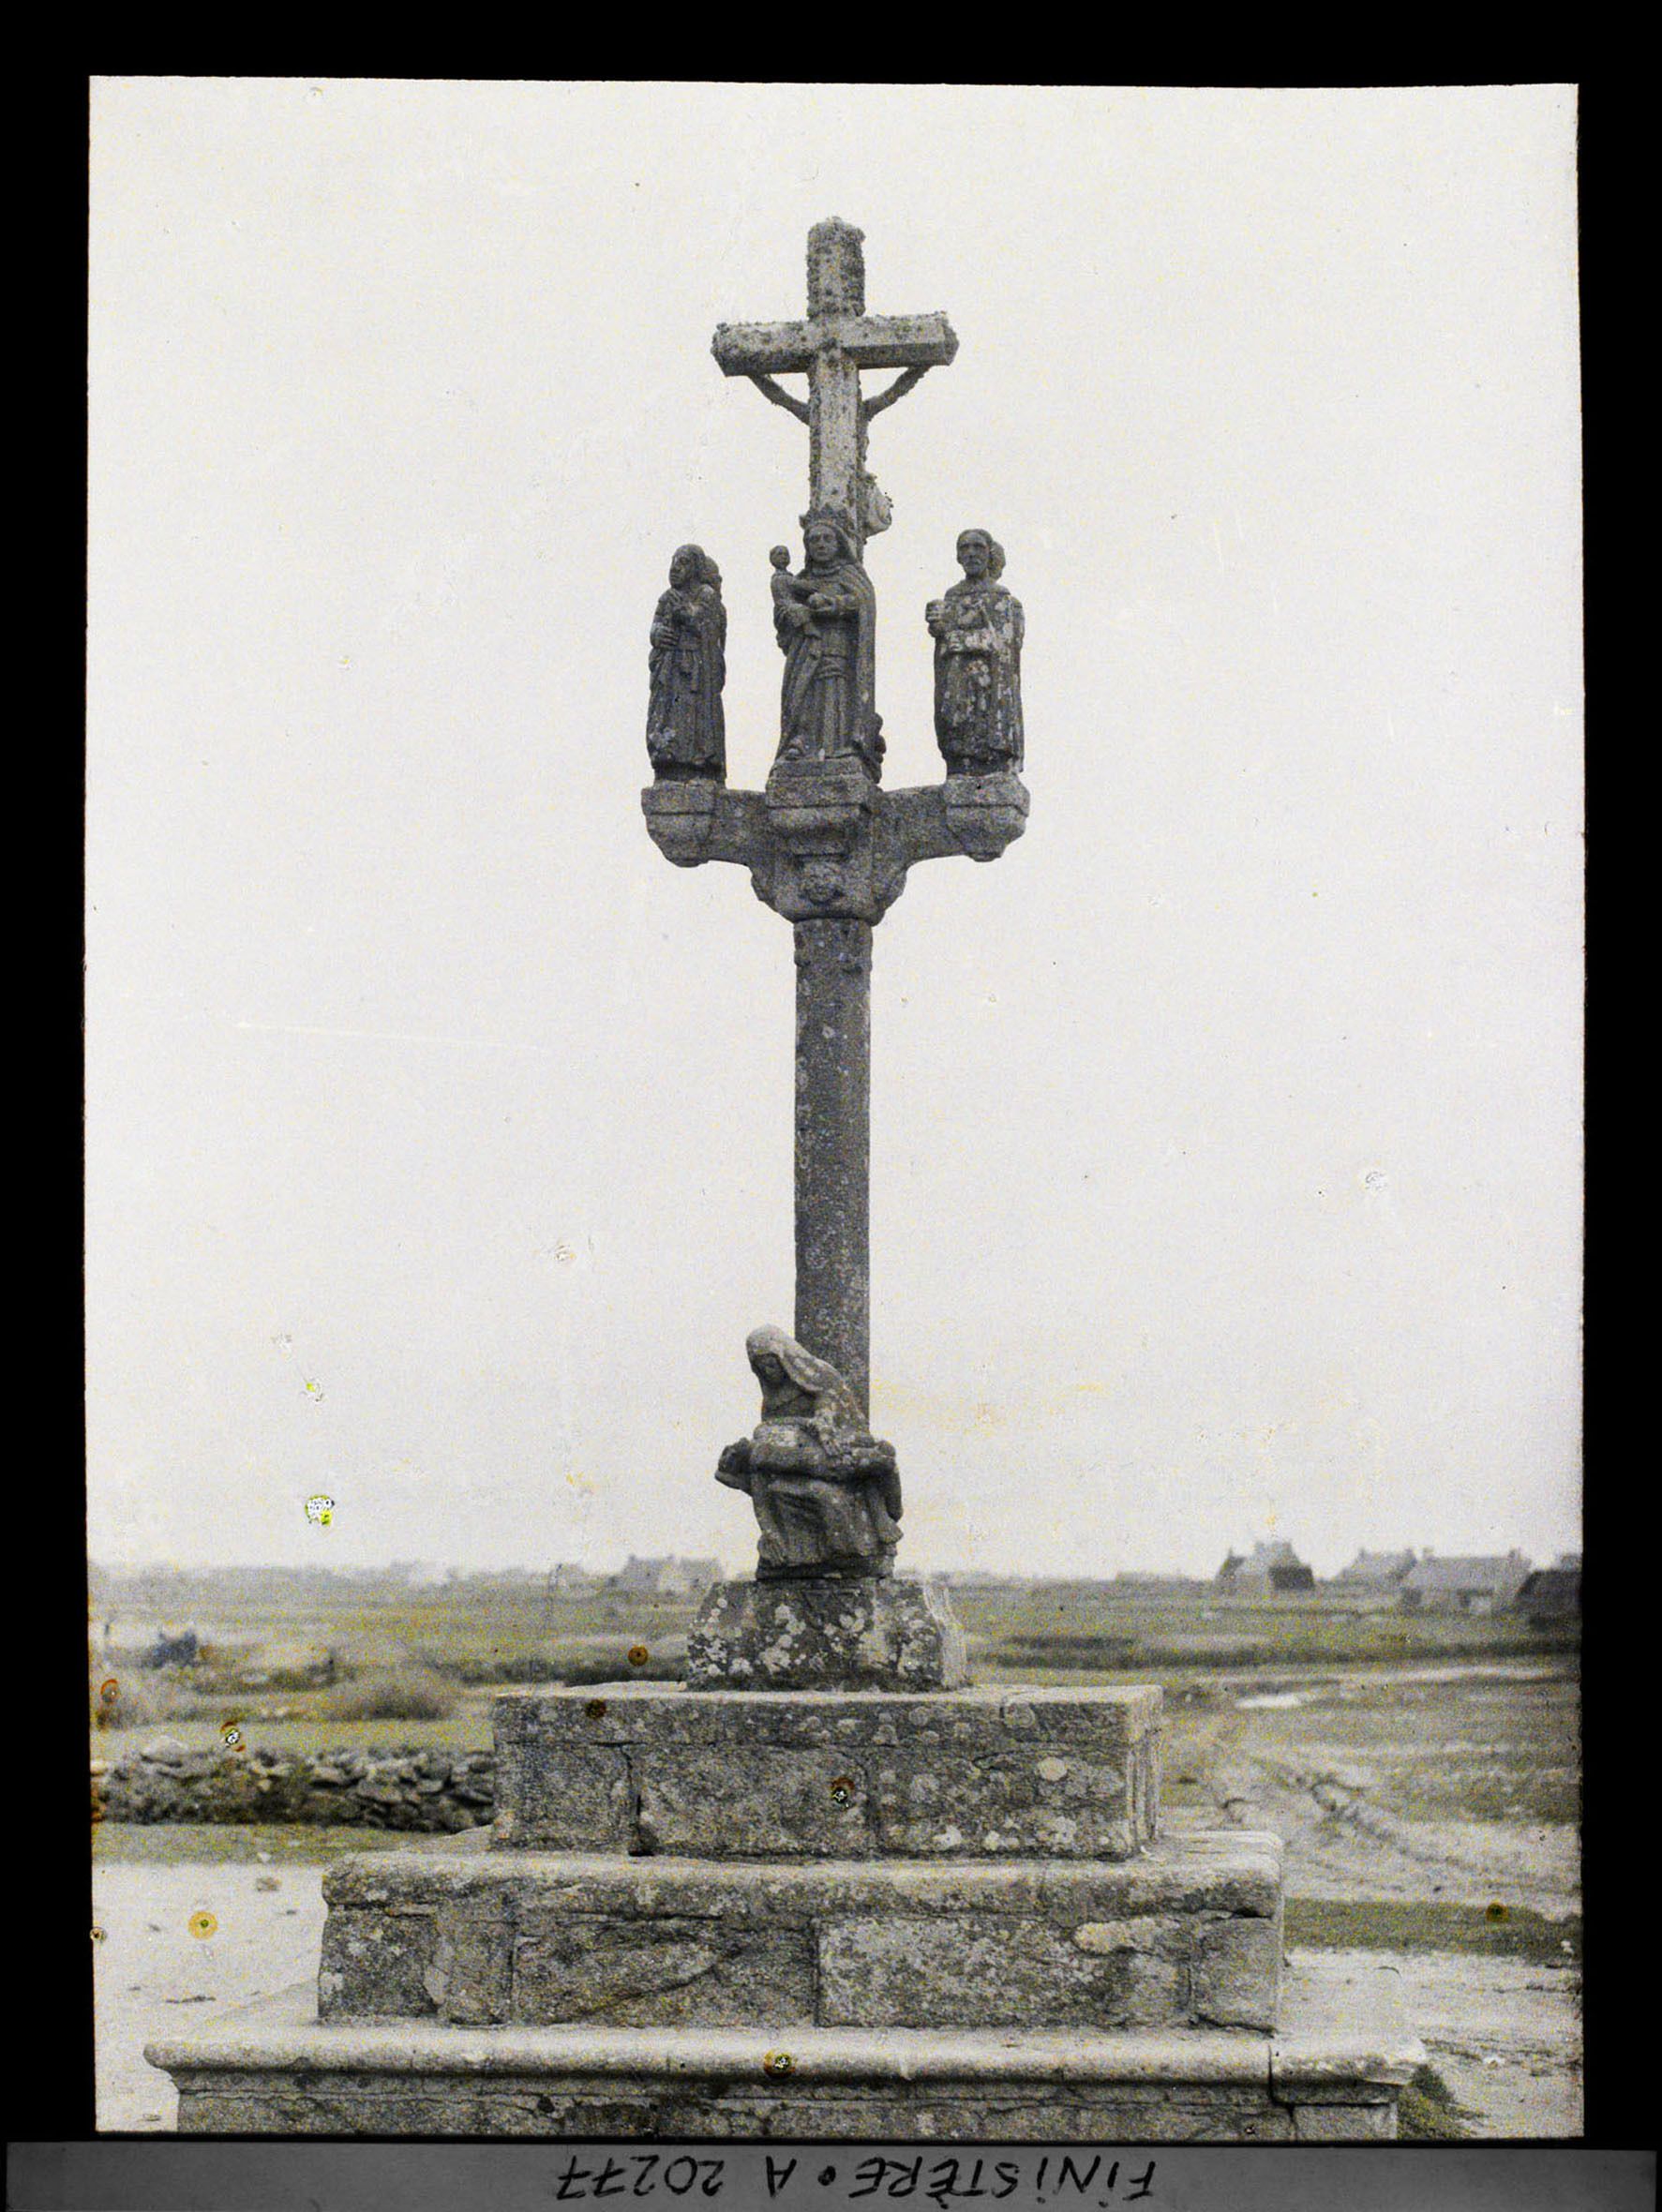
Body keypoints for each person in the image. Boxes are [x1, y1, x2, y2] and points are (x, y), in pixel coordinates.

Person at [715, 1324, 902, 1578]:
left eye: (771, 1364)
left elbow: (830, 1406)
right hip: (807, 1464)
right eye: (761, 1368)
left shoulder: (819, 1375)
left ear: (785, 1357)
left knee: (863, 1462)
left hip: (833, 1441)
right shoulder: (766, 1422)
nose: (768, 1373)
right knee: (827, 1483)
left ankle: (883, 1514)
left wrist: (821, 1426)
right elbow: (759, 1464)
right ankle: (872, 1524)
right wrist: (770, 1532)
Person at [775, 514, 883, 777]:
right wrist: (793, 614)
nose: (820, 544)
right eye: (813, 540)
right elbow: (782, 616)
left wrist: (833, 604)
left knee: (836, 690)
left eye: (826, 538)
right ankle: (801, 744)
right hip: (805, 648)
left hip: (839, 645)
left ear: (839, 543)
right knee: (803, 694)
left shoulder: (850, 575)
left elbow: (862, 604)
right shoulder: (797, 580)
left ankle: (839, 746)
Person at [925, 529, 1024, 776]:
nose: (971, 554)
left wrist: (962, 639)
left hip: (988, 686)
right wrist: (937, 626)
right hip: (957, 682)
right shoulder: (952, 596)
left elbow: (1004, 643)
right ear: (957, 556)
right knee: (958, 741)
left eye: (977, 547)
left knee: (987, 744)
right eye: (964, 548)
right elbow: (944, 639)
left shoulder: (1003, 600)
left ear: (989, 553)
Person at [646, 545, 726, 779]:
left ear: (696, 568)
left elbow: (704, 623)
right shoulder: (666, 597)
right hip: (671, 669)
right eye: (674, 562)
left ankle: (698, 760)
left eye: (683, 563)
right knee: (670, 710)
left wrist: (685, 612)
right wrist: (657, 634)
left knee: (694, 713)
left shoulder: (706, 595)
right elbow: (657, 624)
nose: (675, 568)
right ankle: (668, 756)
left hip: (697, 670)